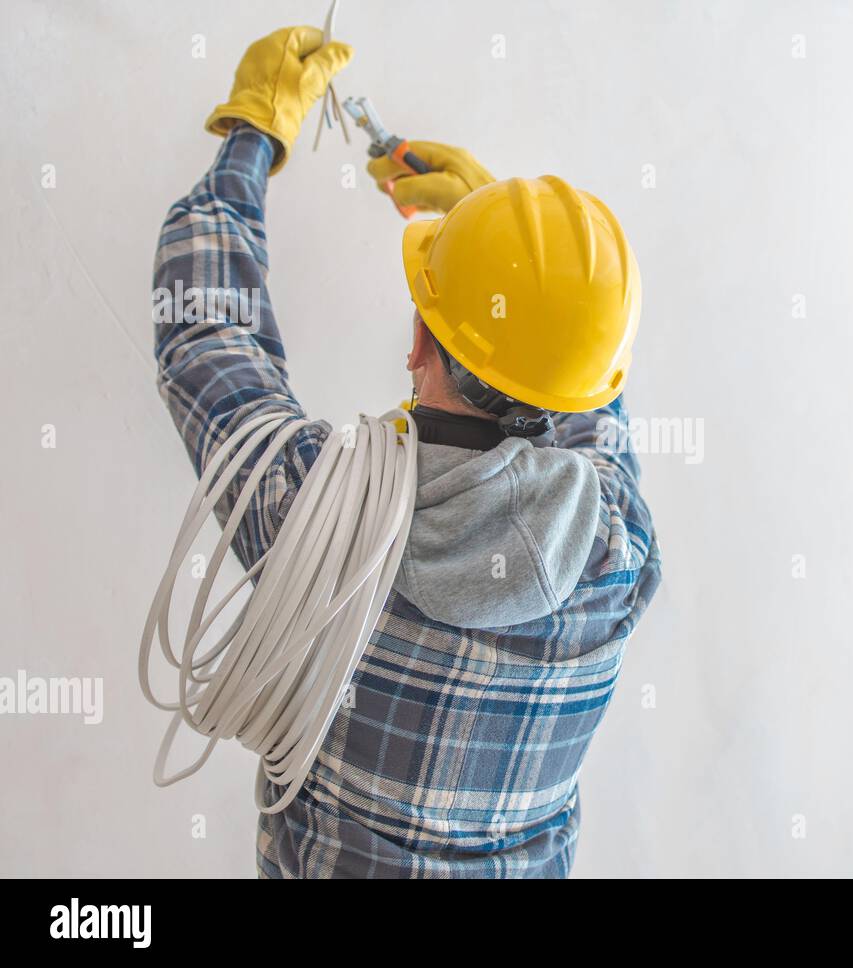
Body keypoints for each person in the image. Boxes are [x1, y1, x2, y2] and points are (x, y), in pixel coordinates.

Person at [152, 25, 661, 877]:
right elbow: (591, 410)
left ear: (419, 338)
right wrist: (517, 260)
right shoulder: (617, 555)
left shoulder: (310, 513)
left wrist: (254, 133)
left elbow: (204, 331)